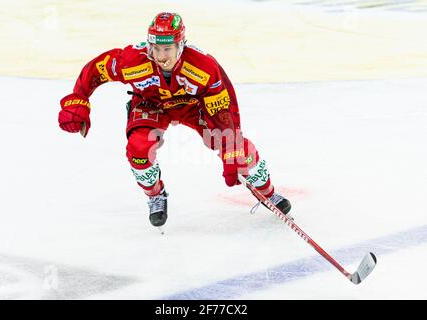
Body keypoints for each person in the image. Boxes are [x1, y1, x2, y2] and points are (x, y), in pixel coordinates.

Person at [58, 12, 291, 228]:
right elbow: (96, 70)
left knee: (241, 151)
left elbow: (223, 110)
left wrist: (230, 150)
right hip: (151, 104)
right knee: (139, 147)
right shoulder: (131, 60)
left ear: (181, 45)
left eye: (167, 49)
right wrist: (78, 99)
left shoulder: (204, 66)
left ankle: (266, 192)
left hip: (194, 106)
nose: (160, 57)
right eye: (155, 48)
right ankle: (155, 194)